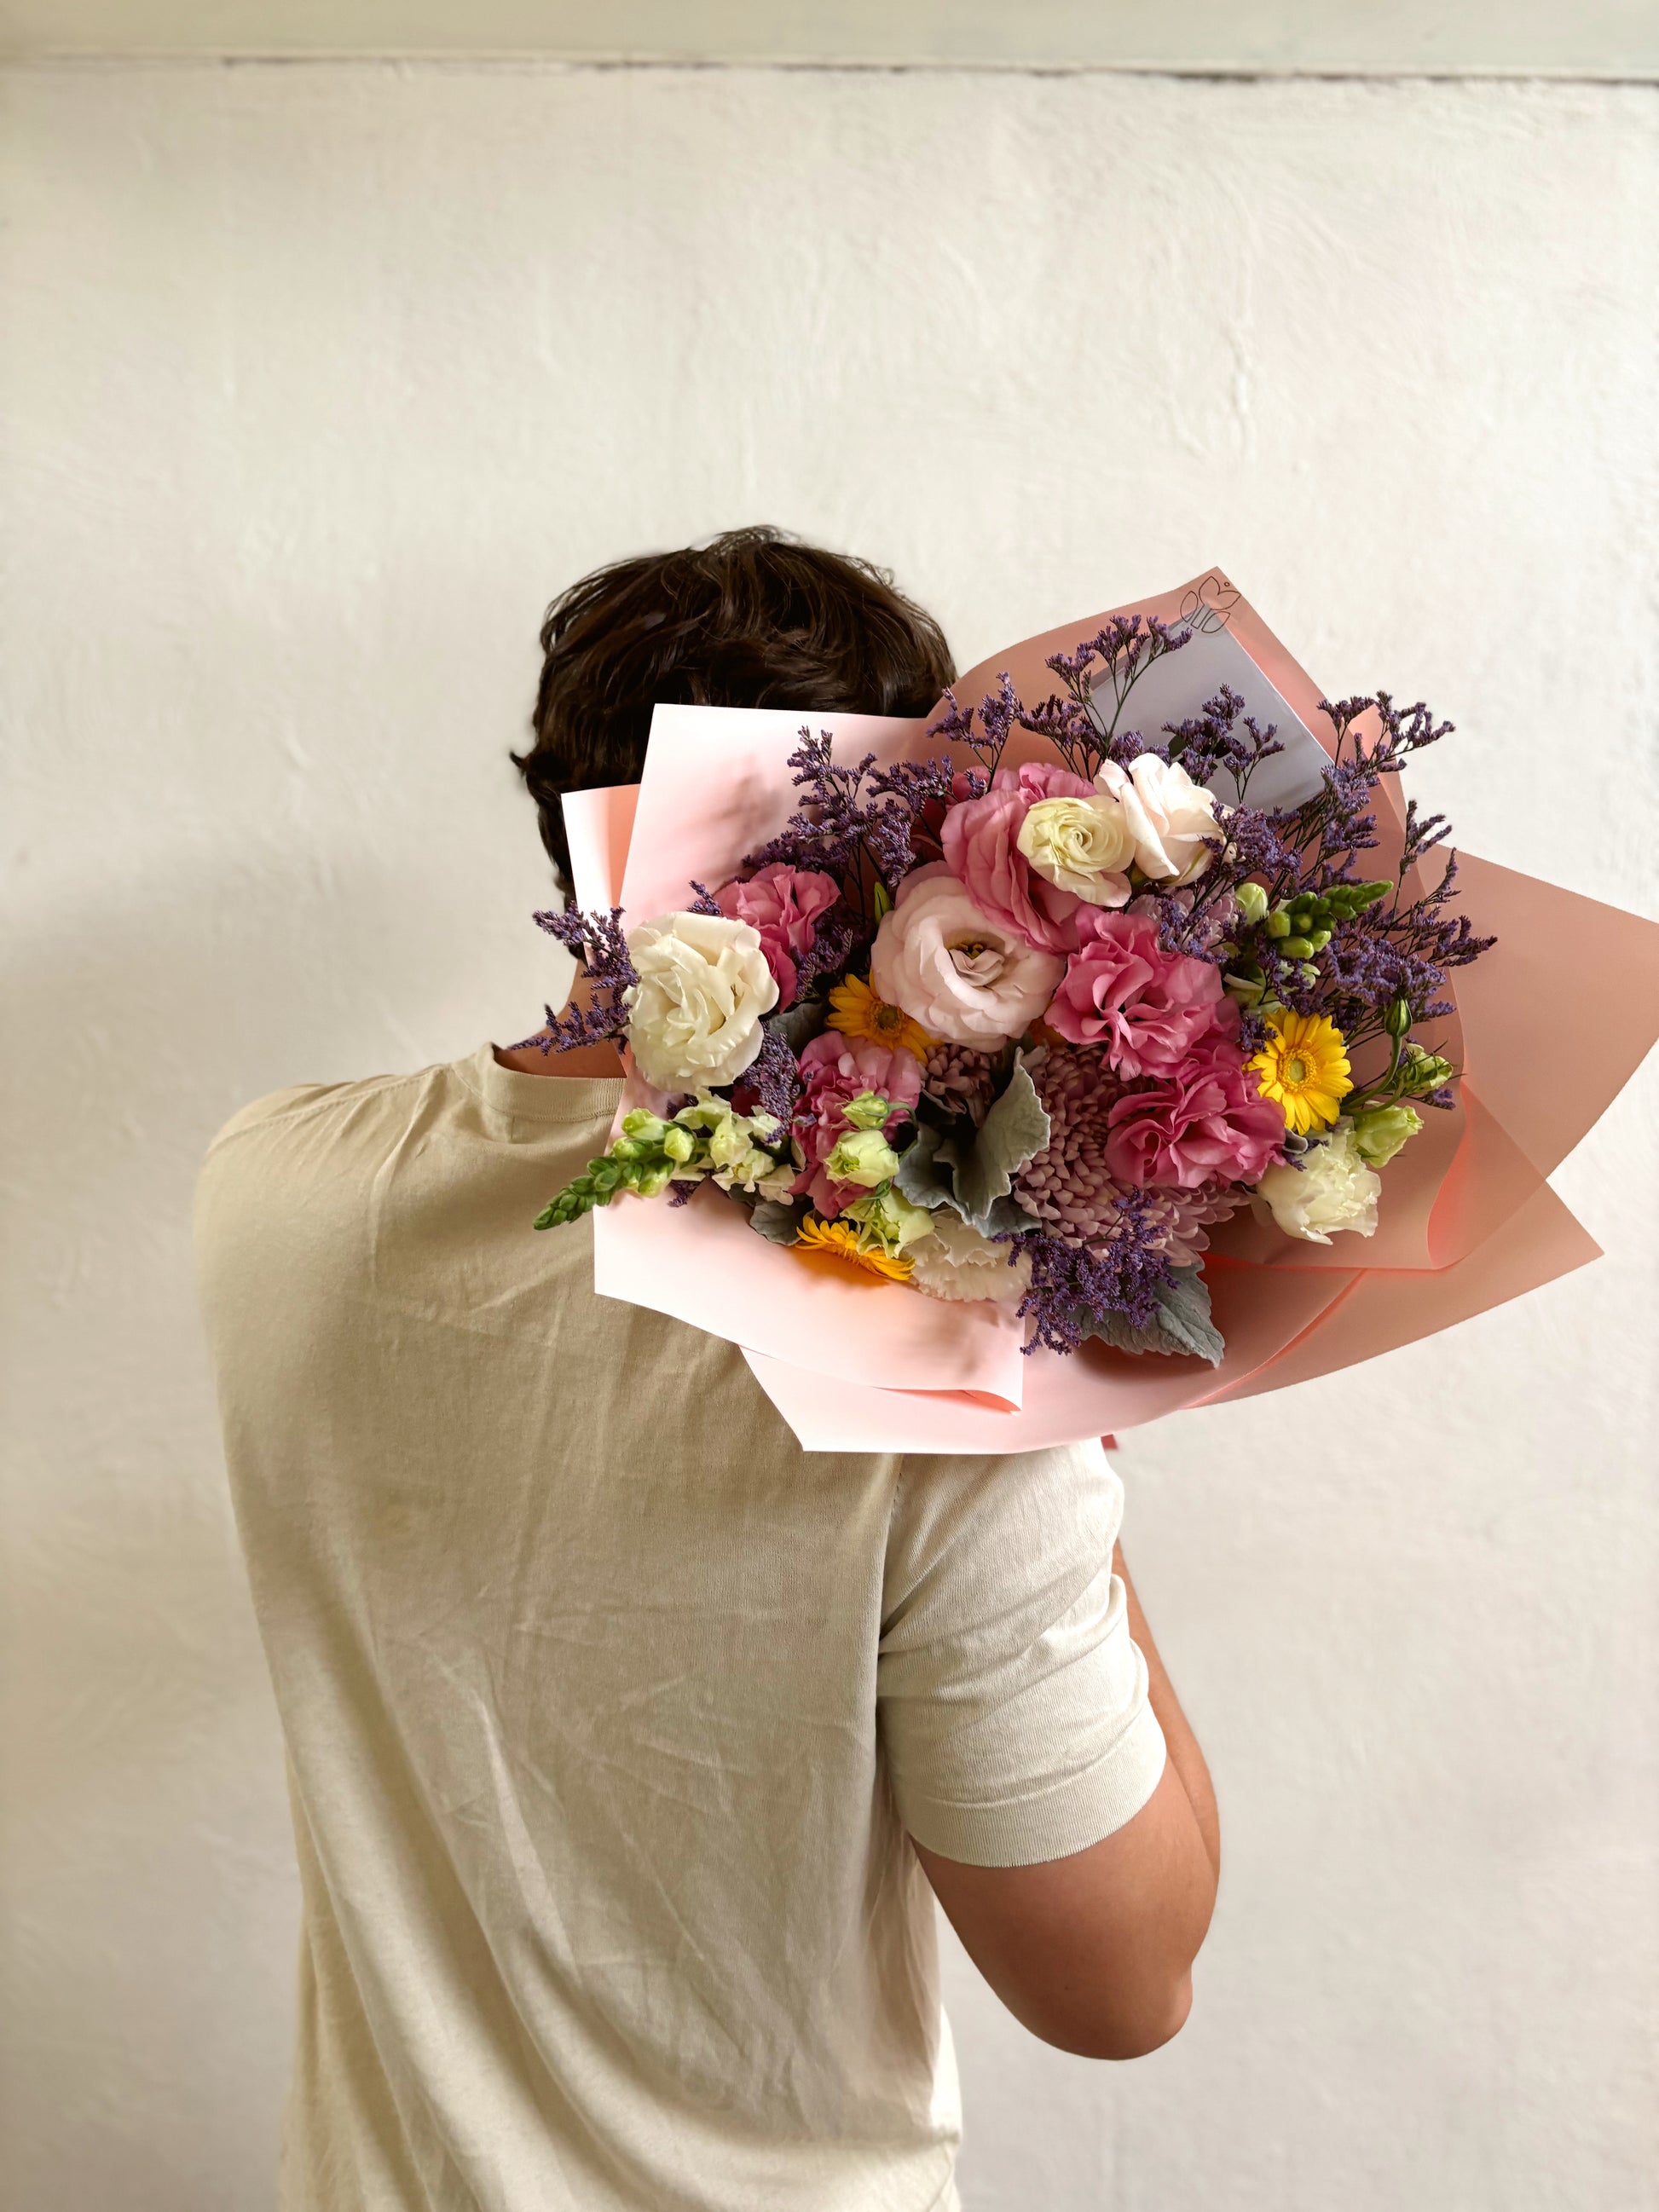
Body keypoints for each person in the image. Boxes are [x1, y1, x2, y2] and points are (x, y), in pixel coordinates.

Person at [195, 527, 1221, 2212]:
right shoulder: (931, 1356)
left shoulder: (276, 1188)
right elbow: (1119, 1986)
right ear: (908, 837)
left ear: (574, 824)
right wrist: (1067, 1413)